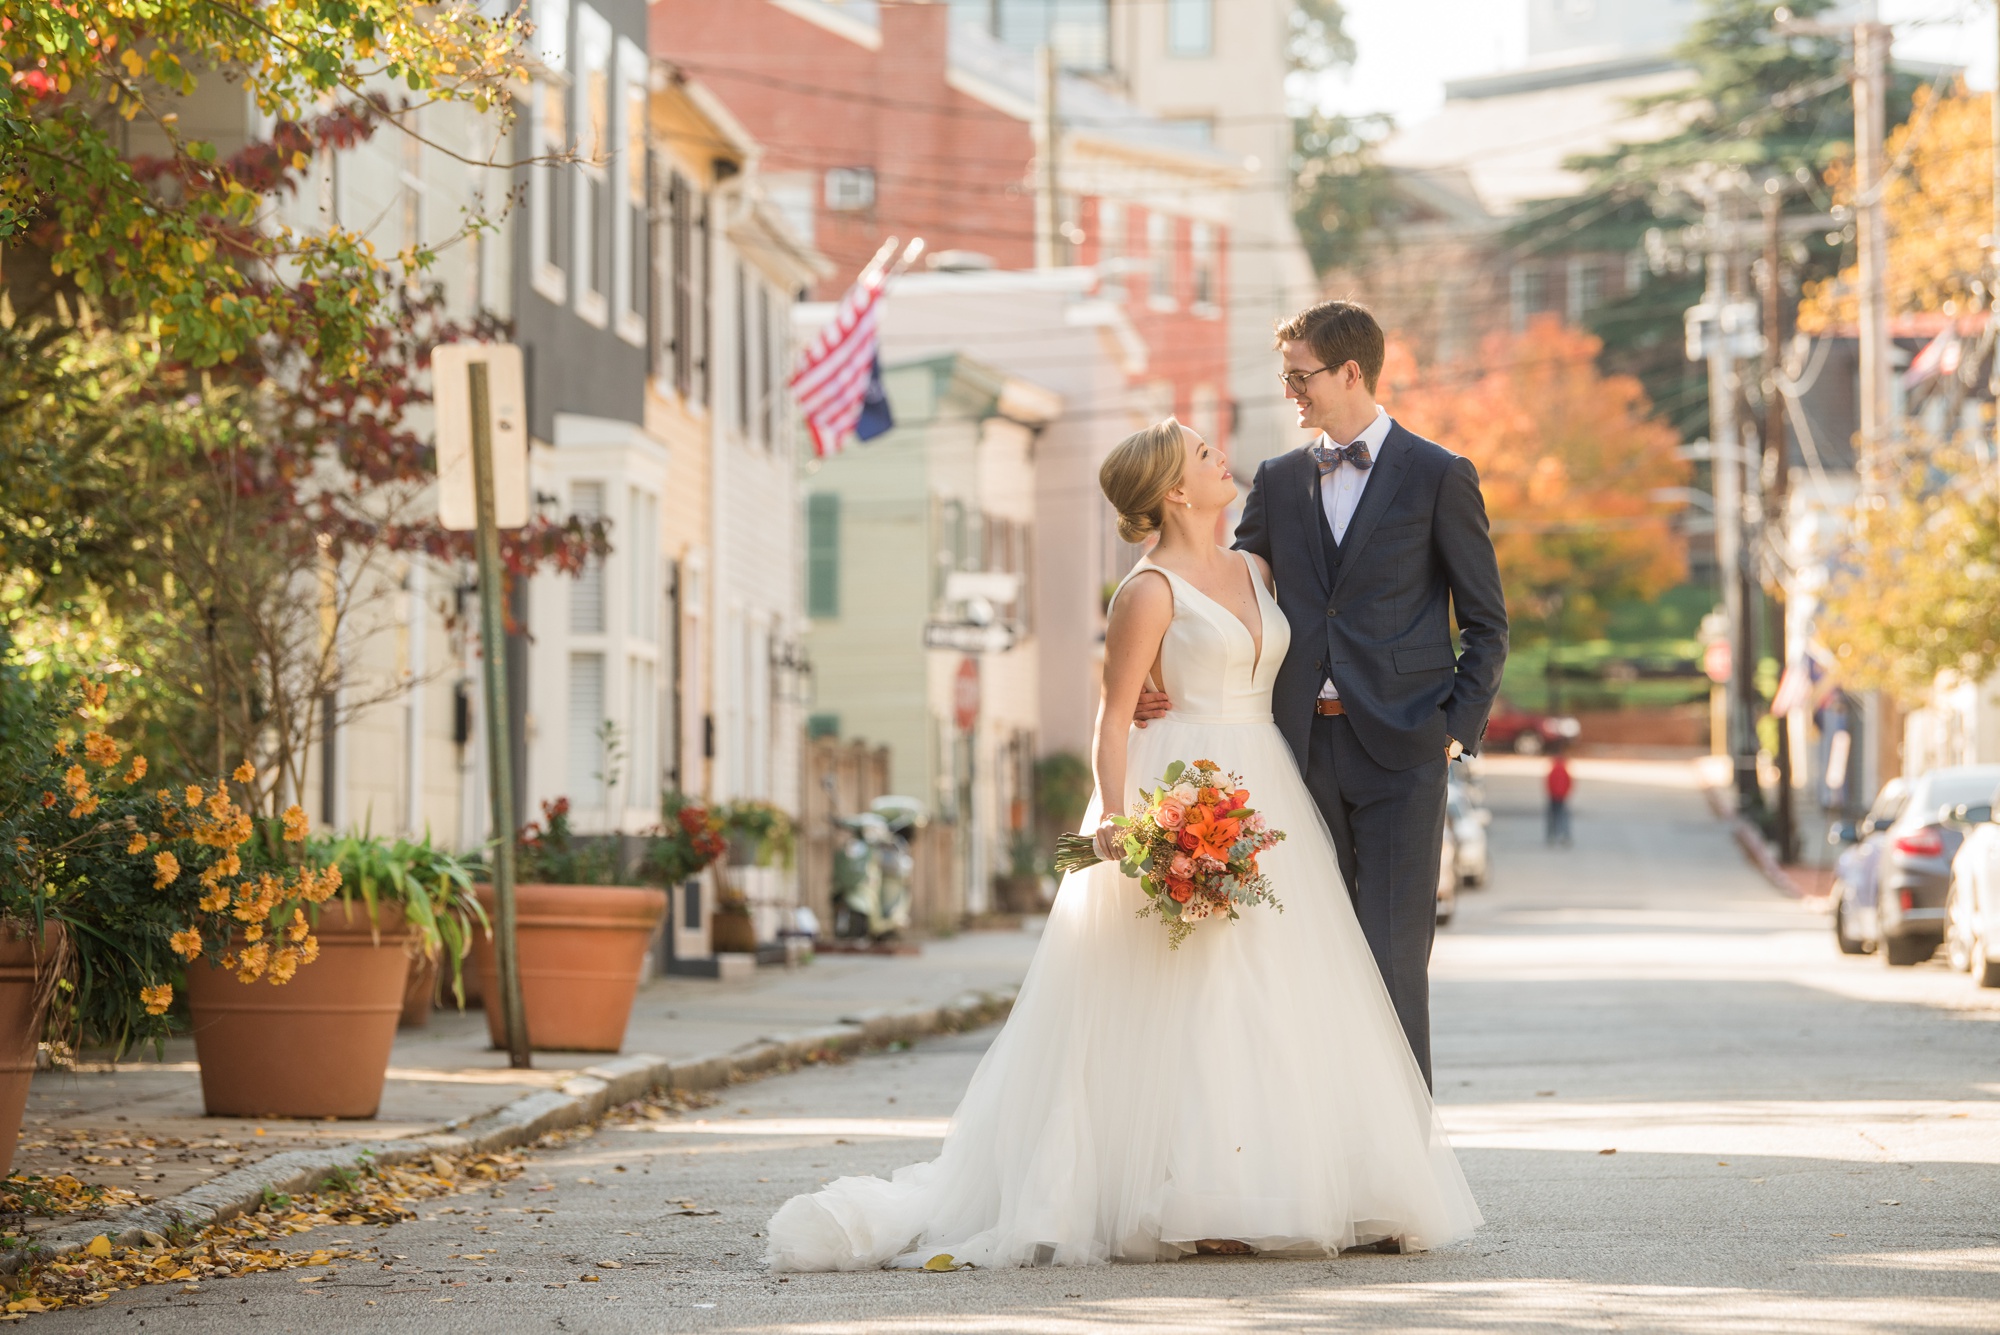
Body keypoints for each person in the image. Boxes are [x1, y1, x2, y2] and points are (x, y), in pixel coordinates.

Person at [764, 418, 1482, 1272]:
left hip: (1270, 787)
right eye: (1205, 456)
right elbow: (1112, 717)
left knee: (1275, 991)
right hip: (1181, 781)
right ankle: (1185, 1192)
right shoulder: (1145, 591)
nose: (1224, 459)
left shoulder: (1257, 567)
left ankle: (1279, 1181)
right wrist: (1122, 820)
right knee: (1189, 988)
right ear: (1176, 491)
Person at [1140, 300, 1508, 1088]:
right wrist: (1153, 665)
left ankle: (1399, 1168)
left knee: (1390, 956)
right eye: (1285, 377)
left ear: (1350, 372)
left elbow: (1487, 622)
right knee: (1306, 957)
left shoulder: (1440, 474)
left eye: (1300, 376)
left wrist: (1453, 731)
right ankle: (1328, 1158)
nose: (1290, 393)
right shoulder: (1275, 480)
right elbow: (1226, 593)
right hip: (1294, 751)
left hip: (1404, 752)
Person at [1546, 751, 1573, 847]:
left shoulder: (1553, 770)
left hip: (1553, 796)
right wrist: (1566, 793)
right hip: (1562, 797)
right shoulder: (1565, 771)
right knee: (1563, 818)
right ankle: (1564, 836)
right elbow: (1570, 783)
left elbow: (1548, 783)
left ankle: (1551, 836)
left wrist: (1551, 793)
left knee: (1552, 817)